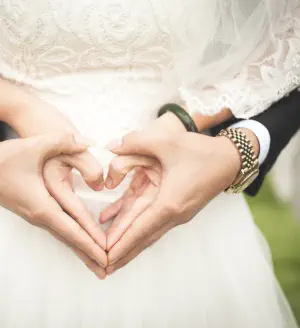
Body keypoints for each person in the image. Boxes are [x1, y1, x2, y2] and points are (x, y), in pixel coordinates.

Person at [0, 0, 299, 327]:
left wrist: (186, 122)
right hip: (14, 206)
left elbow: (286, 34)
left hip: (189, 213)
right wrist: (19, 108)